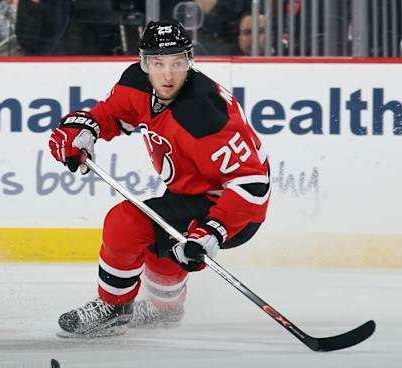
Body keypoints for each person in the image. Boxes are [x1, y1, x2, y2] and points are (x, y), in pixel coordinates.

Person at [48, 19, 270, 338]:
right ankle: (166, 308)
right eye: (159, 63)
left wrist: (213, 231)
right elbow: (113, 114)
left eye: (177, 63)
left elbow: (252, 183)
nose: (168, 74)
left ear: (189, 62)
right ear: (144, 63)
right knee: (157, 243)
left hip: (233, 209)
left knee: (125, 222)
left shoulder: (206, 114)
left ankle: (114, 308)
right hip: (187, 195)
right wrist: (85, 128)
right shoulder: (136, 82)